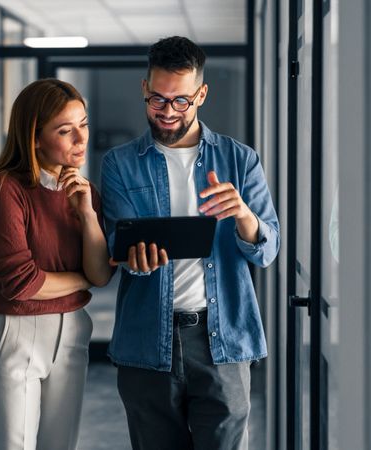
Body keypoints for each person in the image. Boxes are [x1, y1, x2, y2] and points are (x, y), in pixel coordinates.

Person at [100, 36, 280, 449]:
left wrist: (243, 215)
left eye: (180, 101)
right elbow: (115, 244)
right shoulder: (119, 164)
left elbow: (267, 250)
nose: (167, 112)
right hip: (147, 343)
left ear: (201, 94)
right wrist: (132, 258)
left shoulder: (240, 160)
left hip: (224, 340)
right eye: (158, 100)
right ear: (145, 89)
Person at [0, 78, 112, 450]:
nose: (81, 139)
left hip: (73, 332)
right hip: (14, 332)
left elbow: (101, 275)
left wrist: (87, 215)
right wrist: (82, 278)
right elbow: (21, 285)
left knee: (60, 445)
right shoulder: (4, 189)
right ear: (34, 137)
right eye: (66, 131)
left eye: (83, 124)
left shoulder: (86, 193)